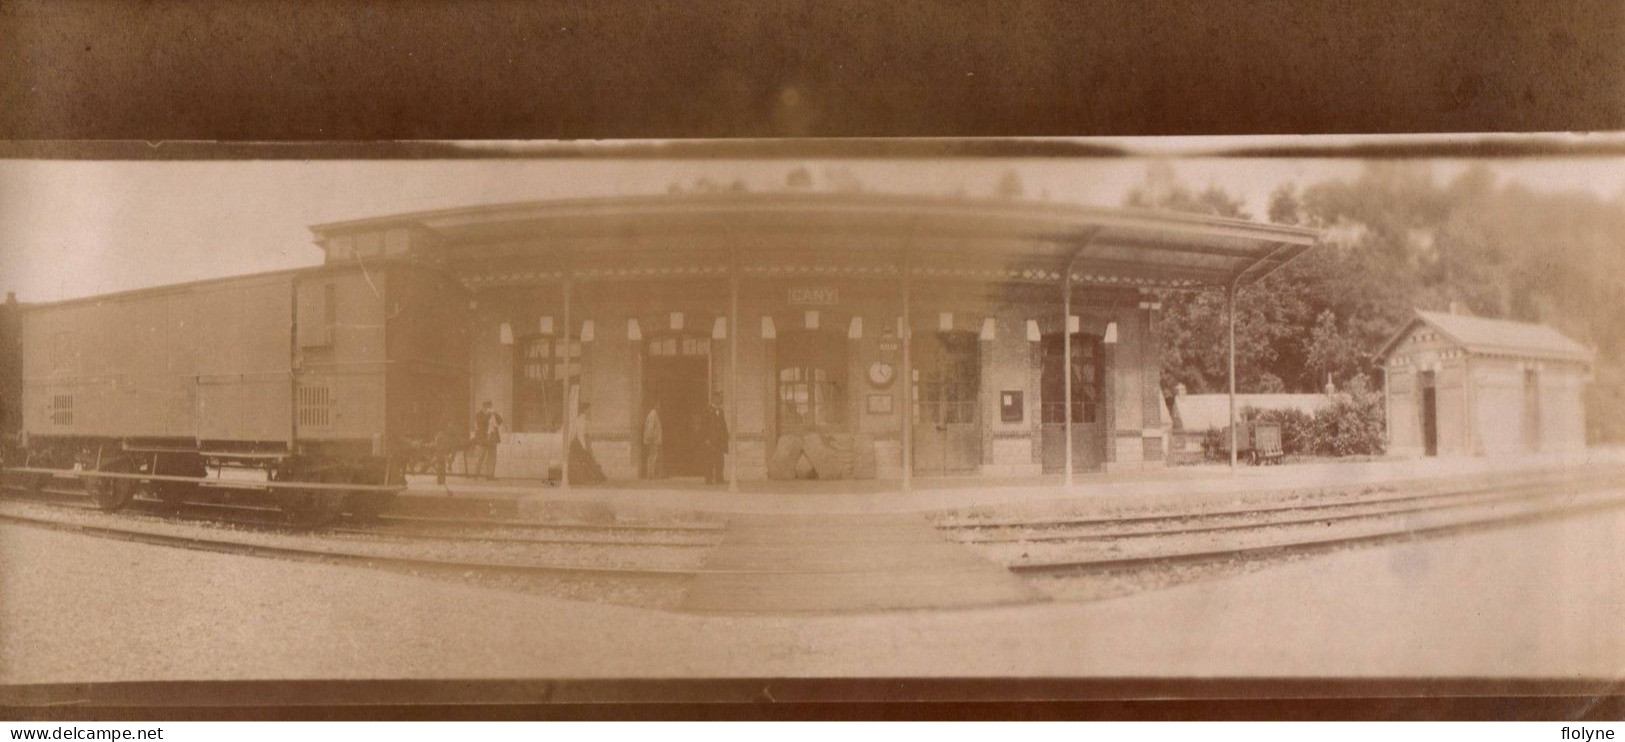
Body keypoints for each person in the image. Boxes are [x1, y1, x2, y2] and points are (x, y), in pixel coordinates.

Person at [568, 401, 606, 484]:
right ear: (584, 410)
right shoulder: (581, 419)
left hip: (582, 442)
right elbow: (580, 434)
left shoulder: (584, 419)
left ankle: (592, 477)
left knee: (587, 460)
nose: (589, 411)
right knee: (585, 460)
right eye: (588, 410)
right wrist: (584, 446)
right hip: (579, 444)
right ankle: (590, 477)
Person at [701, 392, 729, 485]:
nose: (721, 400)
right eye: (719, 398)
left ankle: (719, 478)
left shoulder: (720, 411)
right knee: (709, 459)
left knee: (720, 459)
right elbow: (704, 425)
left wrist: (726, 437)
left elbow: (723, 425)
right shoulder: (708, 410)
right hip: (711, 440)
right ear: (714, 399)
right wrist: (706, 438)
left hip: (720, 440)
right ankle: (708, 479)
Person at [472, 400, 503, 480]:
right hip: (484, 438)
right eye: (487, 406)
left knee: (492, 457)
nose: (489, 408)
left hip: (493, 437)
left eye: (490, 406)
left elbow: (500, 421)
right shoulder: (479, 414)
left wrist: (495, 413)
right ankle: (476, 474)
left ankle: (490, 475)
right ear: (483, 407)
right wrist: (488, 415)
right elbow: (481, 422)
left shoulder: (492, 415)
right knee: (481, 456)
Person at [642, 405, 664, 479]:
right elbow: (651, 428)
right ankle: (652, 474)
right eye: (659, 405)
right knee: (653, 457)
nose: (660, 407)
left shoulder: (653, 414)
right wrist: (651, 439)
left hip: (653, 440)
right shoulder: (653, 415)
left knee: (652, 457)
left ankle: (650, 474)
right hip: (653, 440)